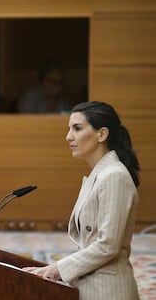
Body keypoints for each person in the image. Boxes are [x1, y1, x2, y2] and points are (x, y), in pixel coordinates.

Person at [23, 101, 140, 299]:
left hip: (108, 290)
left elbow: (107, 246)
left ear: (101, 134)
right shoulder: (100, 174)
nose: (69, 137)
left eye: (77, 128)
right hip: (90, 283)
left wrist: (57, 268)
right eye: (69, 129)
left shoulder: (114, 176)